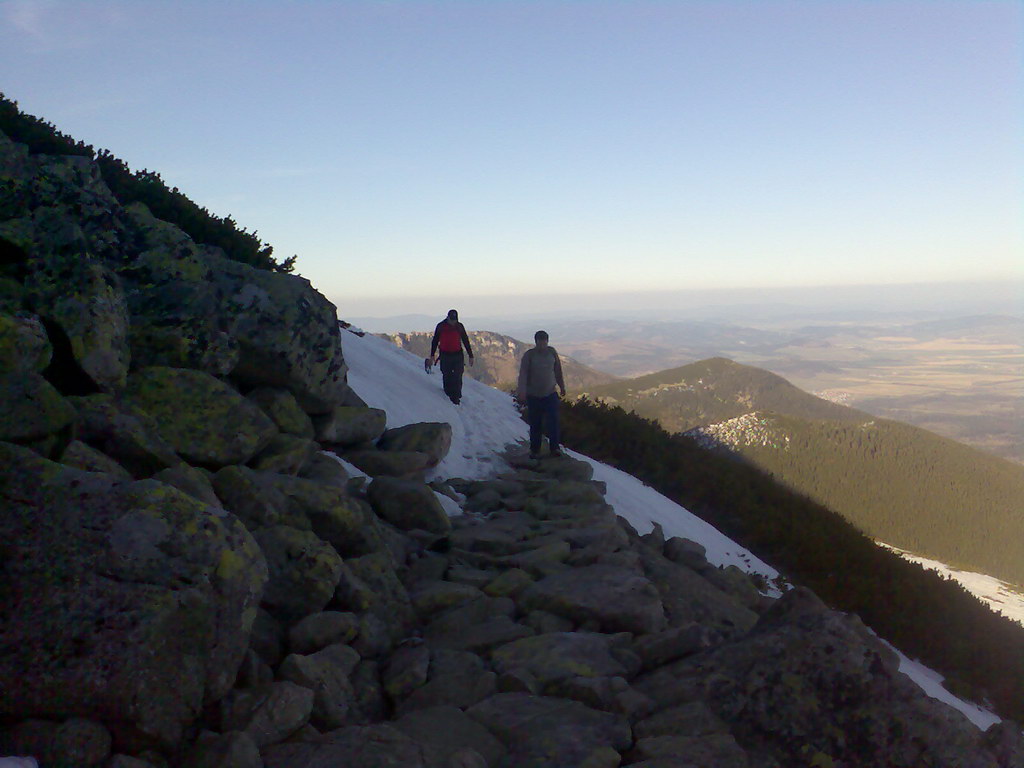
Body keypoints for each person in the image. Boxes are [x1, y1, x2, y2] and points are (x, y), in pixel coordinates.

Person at [517, 330, 566, 459]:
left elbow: (558, 371)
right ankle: (535, 450)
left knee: (553, 422)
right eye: (540, 341)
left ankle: (555, 448)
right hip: (534, 395)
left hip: (550, 393)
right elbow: (523, 374)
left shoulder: (552, 352)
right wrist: (522, 391)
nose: (542, 344)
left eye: (544, 341)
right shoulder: (529, 355)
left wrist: (562, 386)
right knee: (535, 424)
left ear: (547, 341)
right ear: (536, 342)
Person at [428, 309, 474, 405]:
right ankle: (448, 395)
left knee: (458, 376)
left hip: (457, 354)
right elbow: (435, 341)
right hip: (445, 355)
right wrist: (432, 355)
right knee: (447, 375)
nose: (453, 322)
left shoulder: (459, 326)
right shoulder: (441, 326)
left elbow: (465, 340)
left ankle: (456, 397)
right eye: (452, 320)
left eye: (455, 320)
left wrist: (471, 355)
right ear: (448, 318)